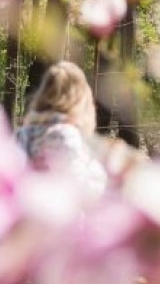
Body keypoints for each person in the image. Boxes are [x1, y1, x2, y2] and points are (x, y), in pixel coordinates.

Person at [16, 61, 106, 196]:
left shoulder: (22, 134)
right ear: (79, 99)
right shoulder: (65, 135)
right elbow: (83, 188)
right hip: (59, 213)